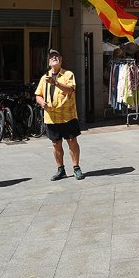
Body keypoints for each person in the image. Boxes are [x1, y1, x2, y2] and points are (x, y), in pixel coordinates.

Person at [35, 49, 84, 181]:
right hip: (51, 116)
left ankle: (76, 168)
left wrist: (55, 82)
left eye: (56, 56)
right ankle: (60, 169)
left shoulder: (68, 74)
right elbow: (38, 95)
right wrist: (42, 103)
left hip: (68, 115)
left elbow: (70, 90)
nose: (54, 58)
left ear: (61, 60)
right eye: (51, 57)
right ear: (49, 62)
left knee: (72, 140)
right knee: (56, 144)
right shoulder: (44, 77)